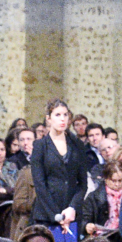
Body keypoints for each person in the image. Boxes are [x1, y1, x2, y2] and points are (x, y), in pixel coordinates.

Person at [28, 99, 89, 233]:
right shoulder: (40, 146)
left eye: (65, 115)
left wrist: (72, 207)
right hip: (46, 215)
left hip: (71, 215)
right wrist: (57, 216)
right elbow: (40, 185)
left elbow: (83, 183)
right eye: (58, 115)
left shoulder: (77, 145)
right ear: (48, 119)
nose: (62, 119)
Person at [81, 160, 122, 237]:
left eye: (120, 180)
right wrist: (87, 226)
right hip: (101, 237)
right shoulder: (93, 197)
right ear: (105, 179)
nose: (117, 184)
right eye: (113, 181)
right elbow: (84, 220)